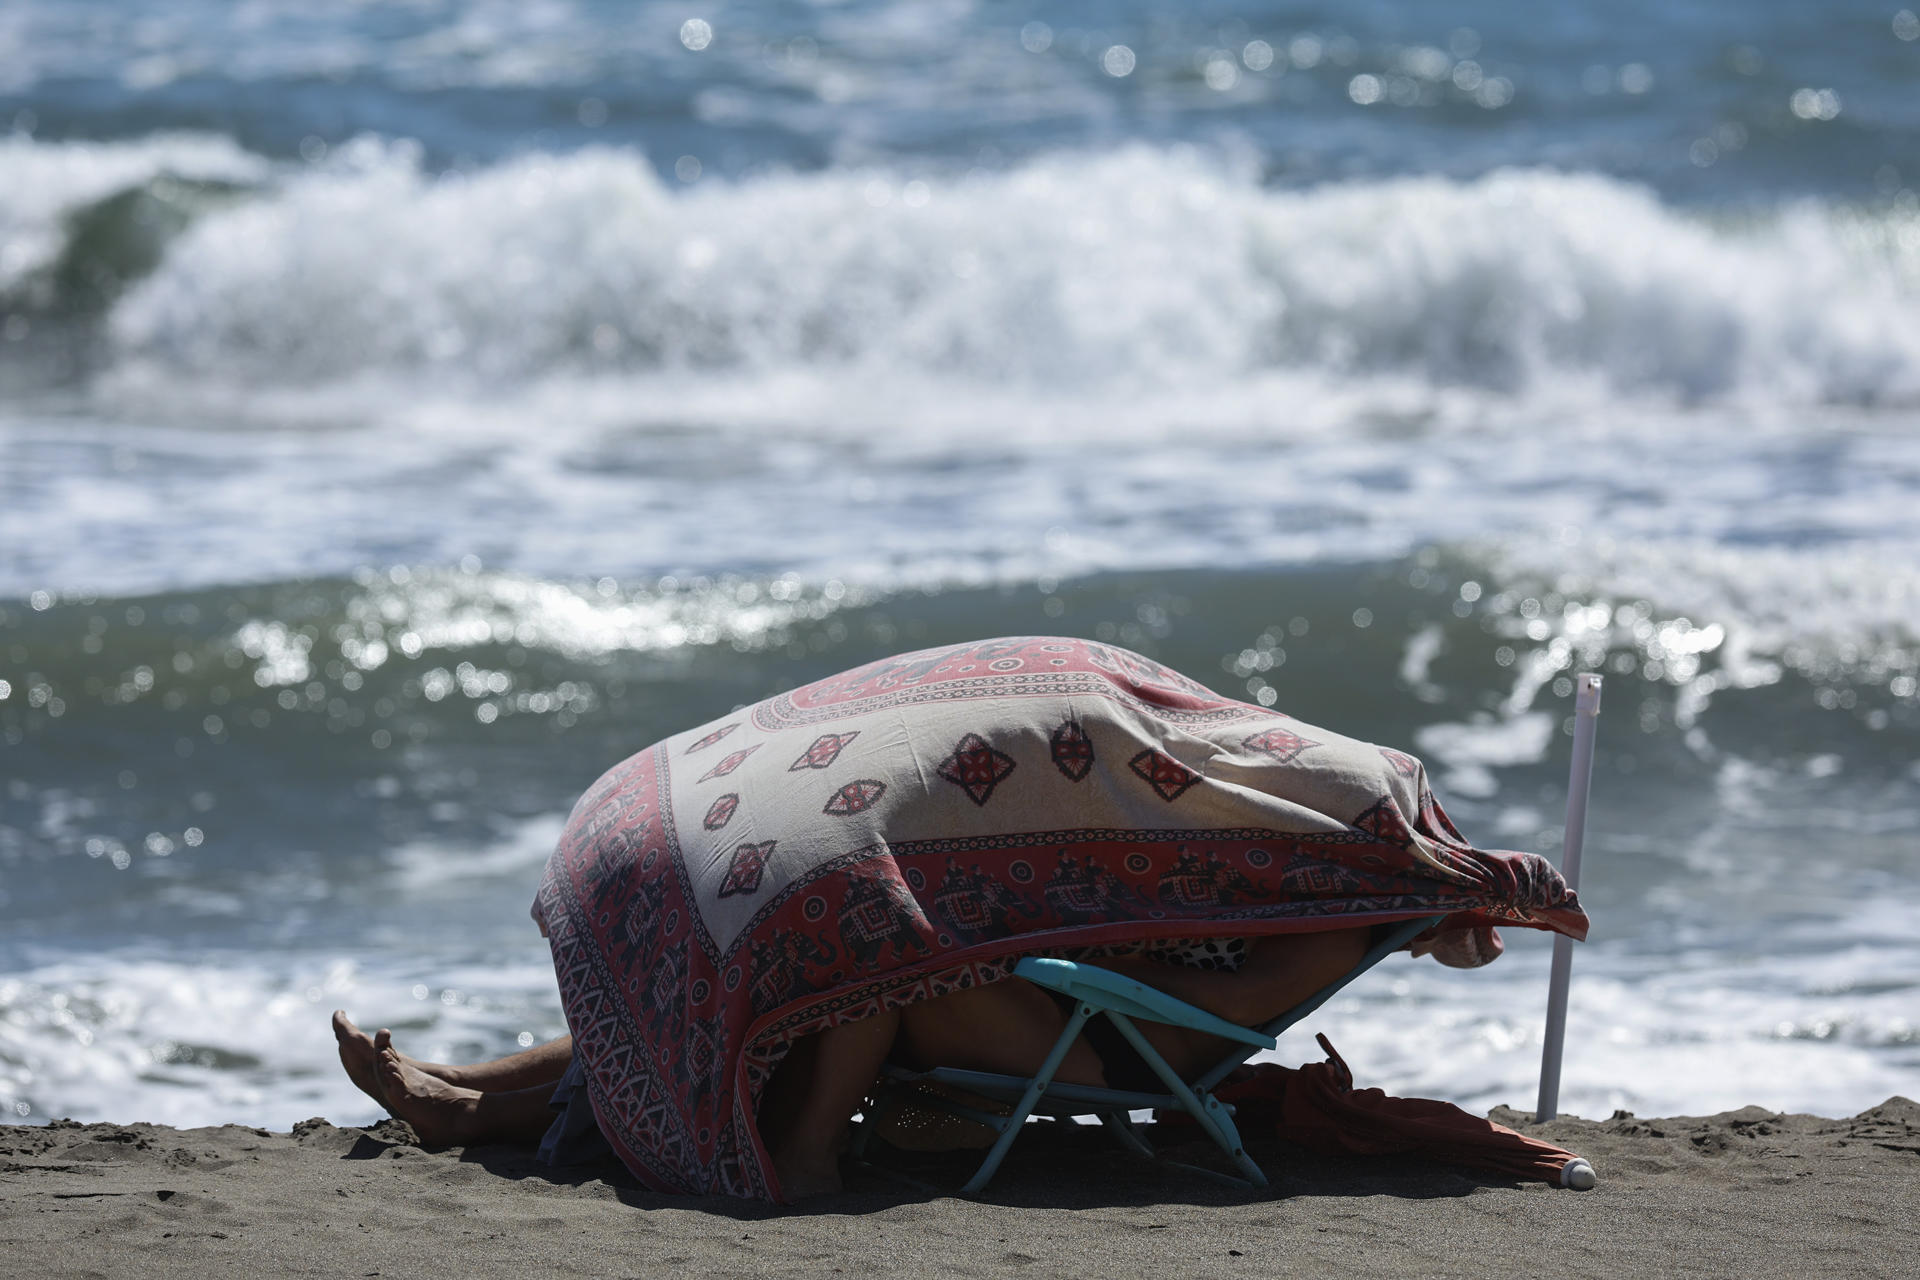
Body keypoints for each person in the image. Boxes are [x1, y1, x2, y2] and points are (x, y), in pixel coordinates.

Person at [331, 921, 1373, 1197]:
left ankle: (812, 1153)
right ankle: (465, 1093)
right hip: (1064, 1010)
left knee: (871, 959)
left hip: (1110, 1041)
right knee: (772, 986)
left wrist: (1101, 949)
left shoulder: (1306, 928)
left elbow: (1211, 1009)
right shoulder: (1244, 878)